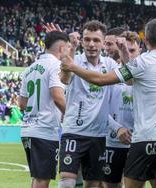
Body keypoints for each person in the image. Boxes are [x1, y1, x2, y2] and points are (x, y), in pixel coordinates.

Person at [61, 18, 156, 188]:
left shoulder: (142, 62)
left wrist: (73, 67)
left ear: (146, 41)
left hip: (144, 139)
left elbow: (100, 80)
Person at [58, 20, 118, 188]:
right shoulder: (73, 59)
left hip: (98, 135)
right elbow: (64, 79)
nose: (91, 44)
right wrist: (71, 49)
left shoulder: (110, 64)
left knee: (92, 183)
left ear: (103, 43)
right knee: (67, 180)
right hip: (74, 131)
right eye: (87, 39)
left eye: (96, 40)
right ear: (82, 41)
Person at [18, 31, 70, 188]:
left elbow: (21, 104)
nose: (68, 52)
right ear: (61, 48)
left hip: (28, 130)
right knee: (42, 179)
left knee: (37, 177)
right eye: (68, 48)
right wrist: (71, 115)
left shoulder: (31, 68)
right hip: (45, 131)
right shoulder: (55, 66)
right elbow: (57, 95)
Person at [103, 31, 141, 188]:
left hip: (138, 142)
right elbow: (99, 108)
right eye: (126, 49)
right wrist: (117, 129)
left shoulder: (146, 75)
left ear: (139, 51)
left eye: (133, 50)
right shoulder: (110, 75)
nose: (129, 54)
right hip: (113, 141)